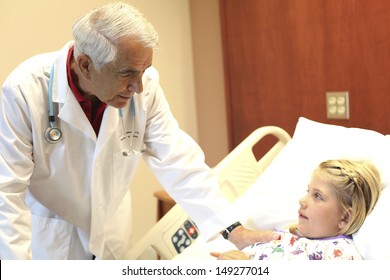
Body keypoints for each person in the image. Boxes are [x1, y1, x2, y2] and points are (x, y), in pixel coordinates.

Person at [0, 2, 276, 260]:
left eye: (144, 71)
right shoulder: (25, 91)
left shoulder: (145, 88)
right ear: (85, 65)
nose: (139, 87)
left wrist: (232, 229)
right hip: (52, 235)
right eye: (126, 74)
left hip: (111, 227)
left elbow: (177, 160)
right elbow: (6, 192)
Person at [211, 159, 382, 260]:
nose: (302, 201)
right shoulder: (286, 236)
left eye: (318, 196)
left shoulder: (339, 253)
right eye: (309, 192)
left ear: (344, 218)